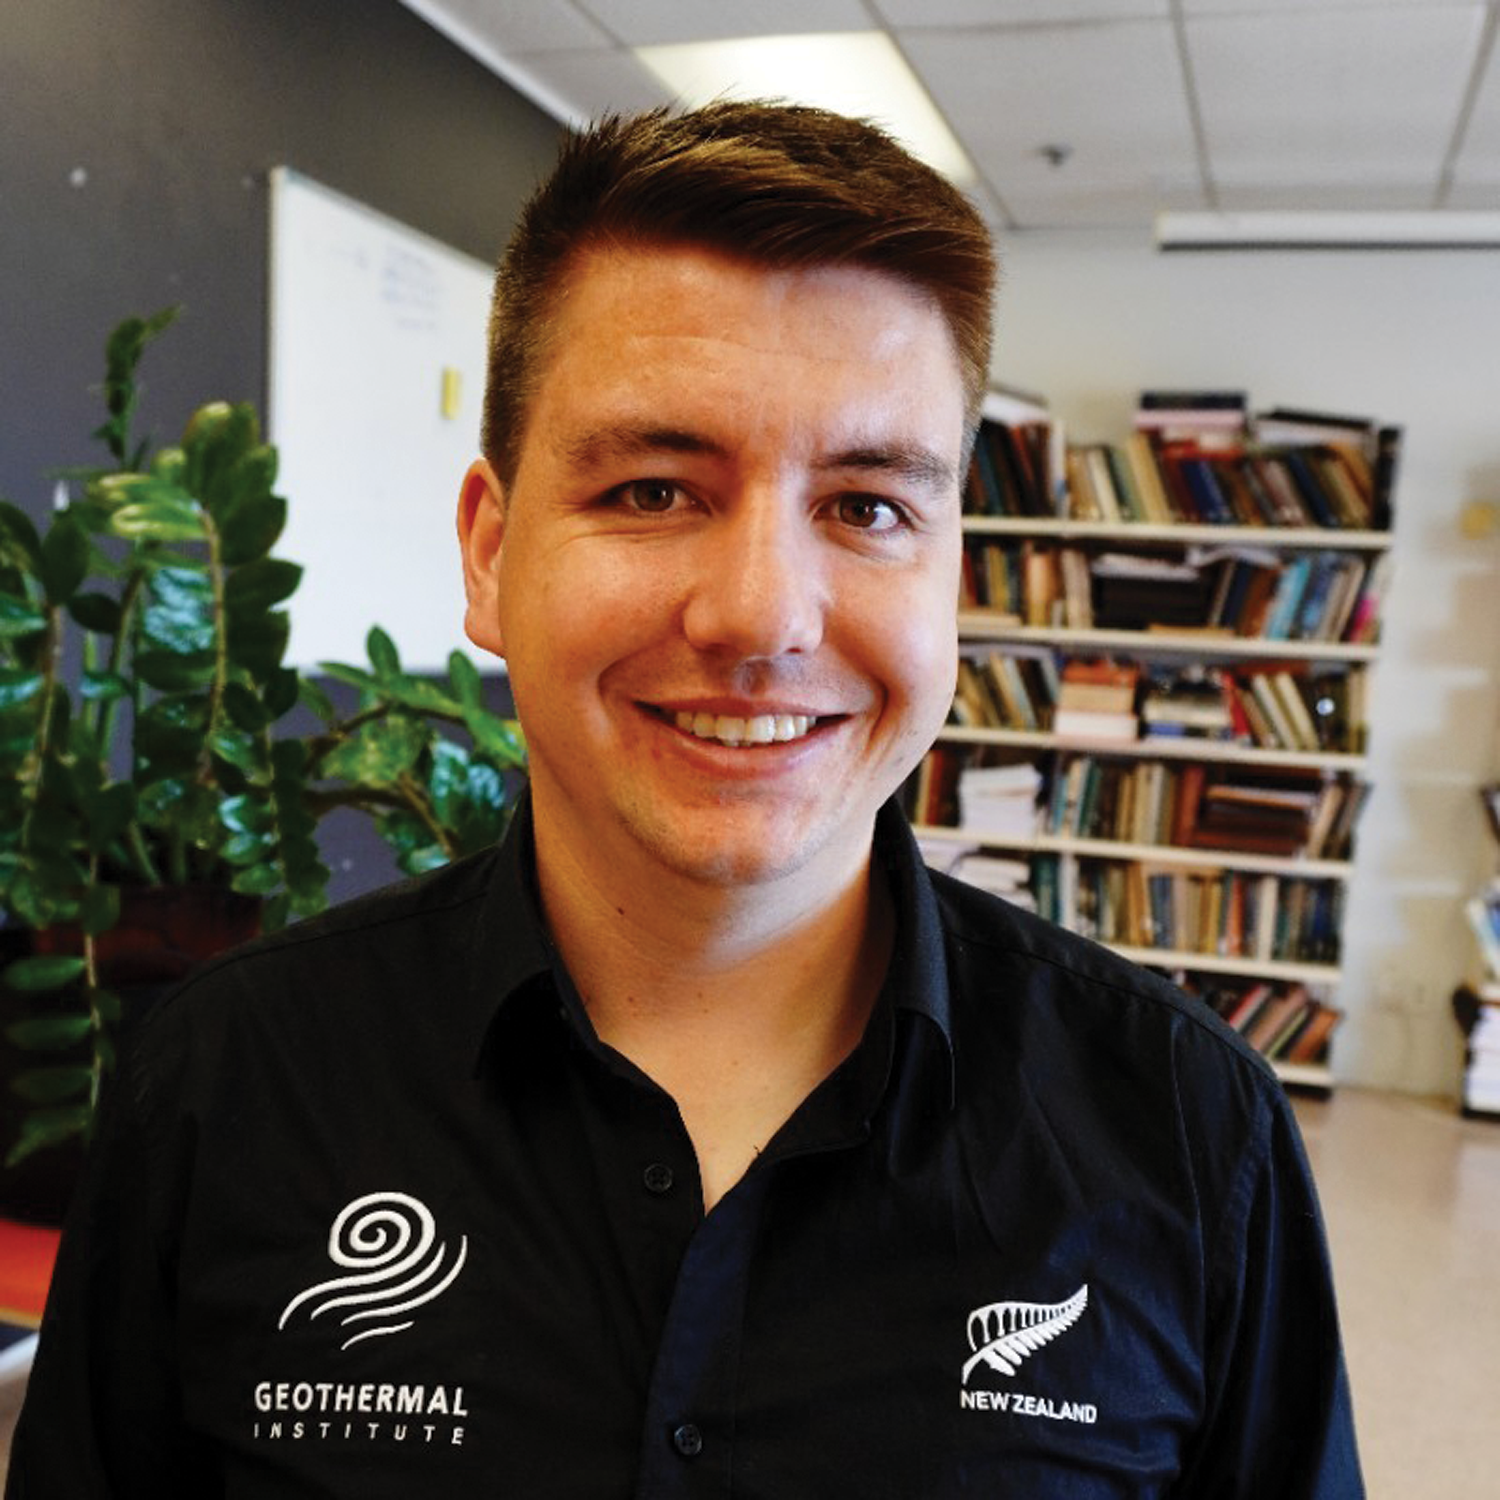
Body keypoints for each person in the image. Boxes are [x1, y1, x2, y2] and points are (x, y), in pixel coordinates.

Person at [8, 102, 1363, 1496]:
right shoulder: (226, 1084)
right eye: (655, 488)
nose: (763, 613)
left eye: (868, 506)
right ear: (488, 551)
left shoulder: (1193, 1135)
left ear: (955, 571)